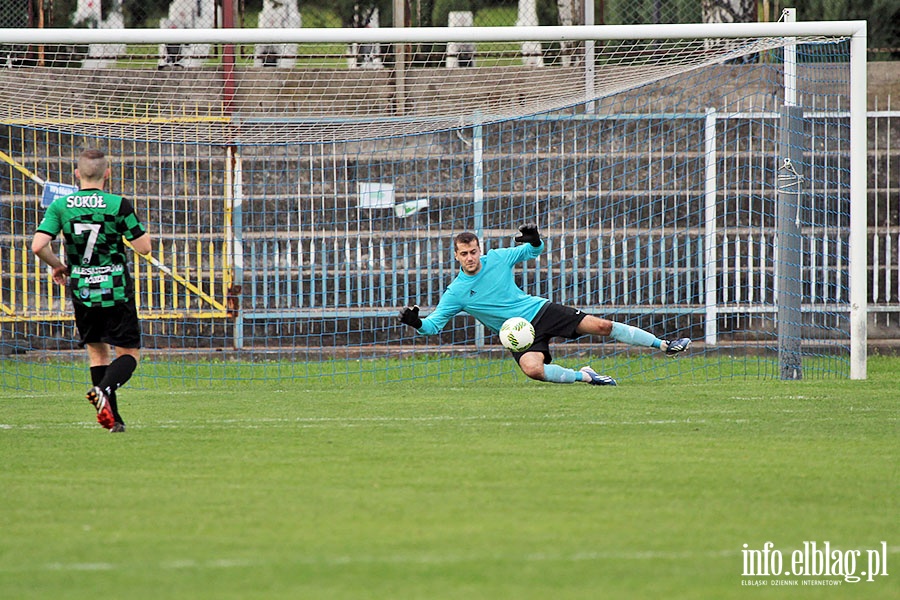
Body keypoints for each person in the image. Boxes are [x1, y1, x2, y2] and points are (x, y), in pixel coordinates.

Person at [398, 224, 691, 386]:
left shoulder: (498, 258)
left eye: (474, 251)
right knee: (532, 370)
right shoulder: (456, 293)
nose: (471, 257)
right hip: (516, 333)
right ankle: (586, 376)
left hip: (538, 311)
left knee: (602, 326)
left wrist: (535, 240)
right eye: (464, 253)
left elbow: (533, 250)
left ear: (480, 249)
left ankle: (665, 346)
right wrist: (416, 323)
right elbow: (433, 326)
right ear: (457, 256)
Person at [31, 149, 152, 432]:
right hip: (116, 291)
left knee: (98, 354)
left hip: (83, 290)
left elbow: (37, 245)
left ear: (77, 173)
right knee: (129, 354)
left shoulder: (61, 206)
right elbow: (144, 248)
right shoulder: (118, 204)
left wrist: (59, 266)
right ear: (107, 173)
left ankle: (114, 421)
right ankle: (105, 390)